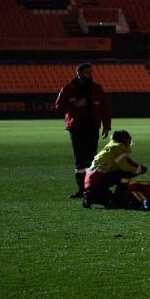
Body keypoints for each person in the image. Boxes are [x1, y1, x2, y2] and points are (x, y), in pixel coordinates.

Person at [55, 63, 112, 199]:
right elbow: (59, 107)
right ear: (79, 73)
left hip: (92, 126)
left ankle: (91, 187)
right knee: (80, 158)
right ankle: (82, 189)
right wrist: (74, 105)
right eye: (87, 71)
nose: (90, 73)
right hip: (77, 127)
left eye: (90, 71)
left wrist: (106, 125)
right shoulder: (68, 89)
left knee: (92, 157)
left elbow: (104, 107)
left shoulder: (96, 89)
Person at [83, 130, 148, 209]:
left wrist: (139, 168)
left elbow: (128, 162)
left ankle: (91, 196)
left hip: (93, 180)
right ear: (125, 139)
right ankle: (118, 197)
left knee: (122, 177)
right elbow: (125, 167)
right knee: (125, 176)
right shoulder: (118, 148)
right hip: (97, 181)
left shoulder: (113, 147)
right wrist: (139, 170)